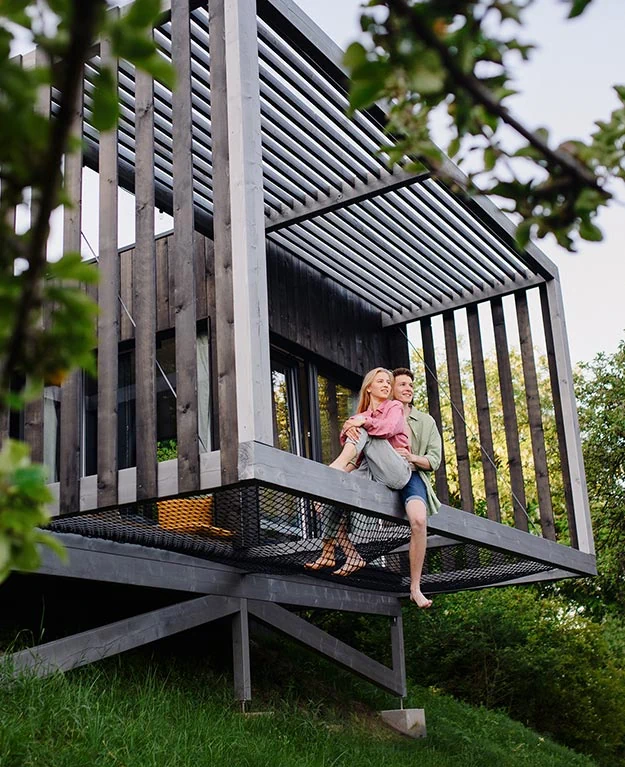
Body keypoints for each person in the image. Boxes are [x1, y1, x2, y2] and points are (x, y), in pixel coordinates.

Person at [305, 367, 412, 576]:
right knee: (333, 494)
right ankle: (333, 552)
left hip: (396, 470)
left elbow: (388, 428)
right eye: (380, 381)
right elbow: (356, 450)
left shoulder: (394, 407)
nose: (386, 385)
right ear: (369, 387)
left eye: (388, 383)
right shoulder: (360, 416)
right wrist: (327, 488)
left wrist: (362, 422)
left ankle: (335, 467)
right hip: (369, 471)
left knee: (364, 428)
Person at [392, 367, 442, 609]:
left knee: (420, 521)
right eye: (402, 384)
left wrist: (411, 457)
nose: (408, 389)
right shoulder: (380, 413)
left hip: (411, 475)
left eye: (410, 385)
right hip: (381, 475)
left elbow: (434, 460)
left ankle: (415, 587)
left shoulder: (425, 421)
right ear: (391, 389)